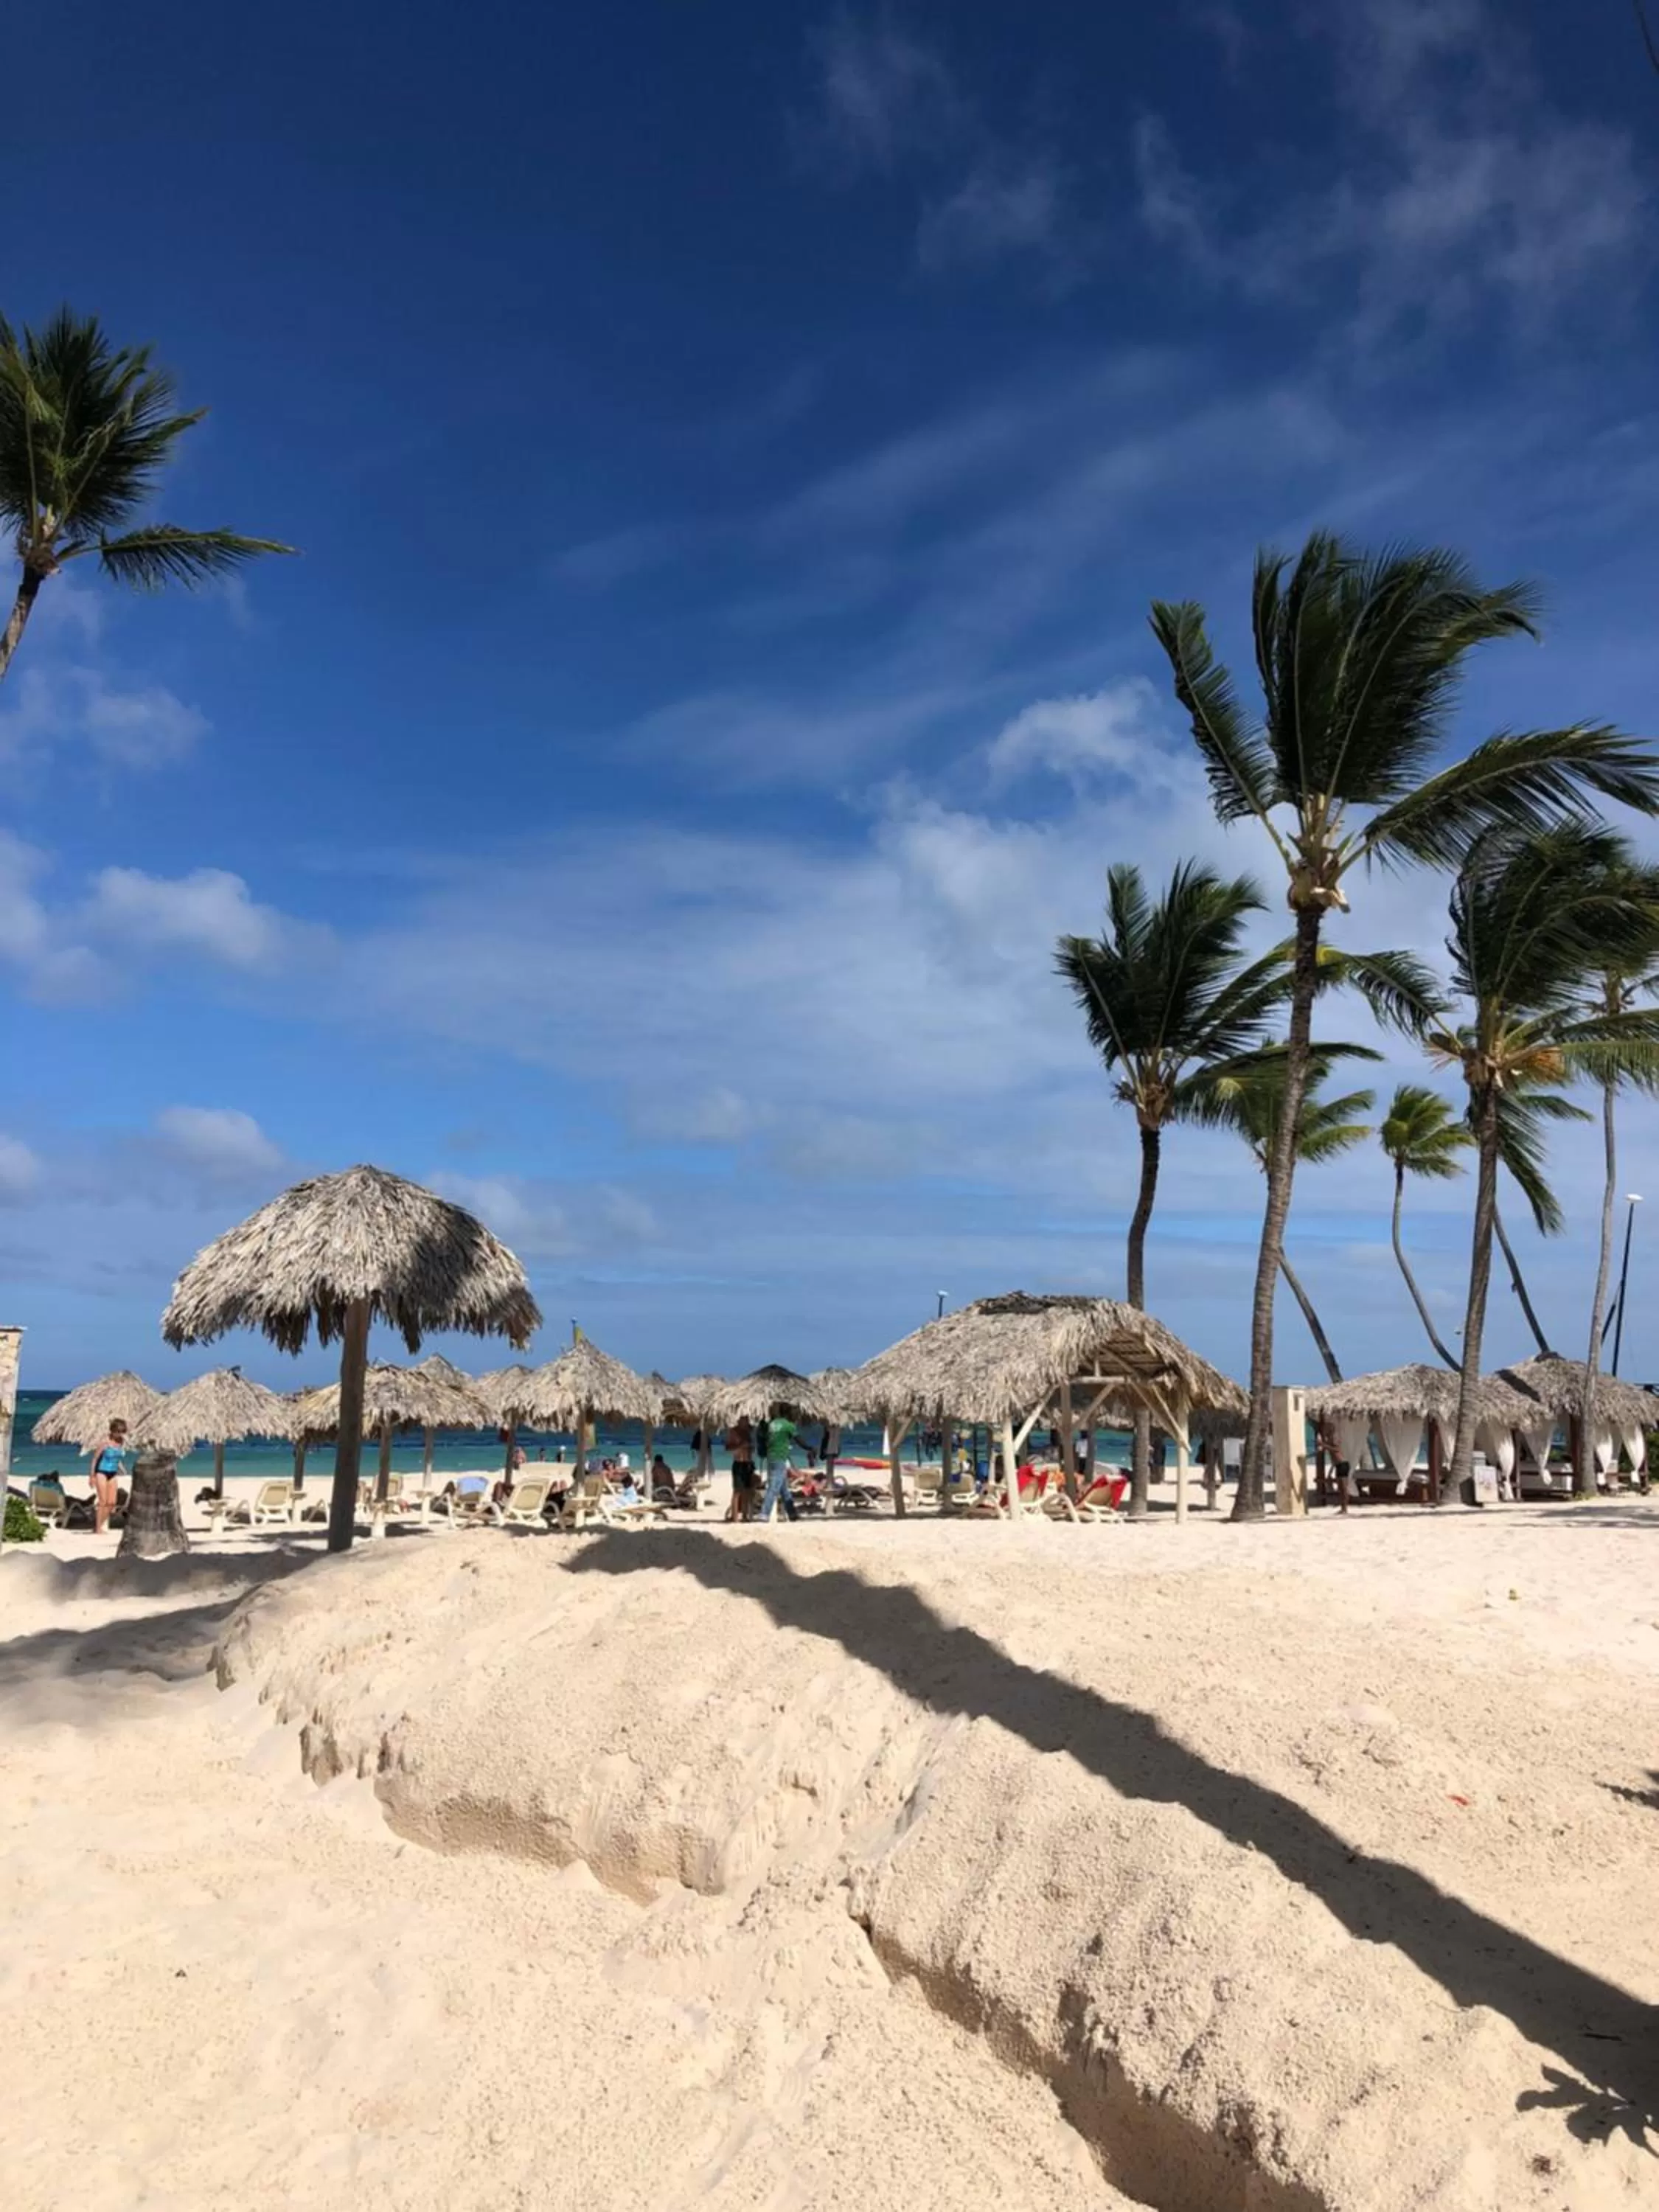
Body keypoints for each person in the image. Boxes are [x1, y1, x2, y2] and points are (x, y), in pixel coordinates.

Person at [90, 1419, 129, 1535]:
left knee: (112, 1503)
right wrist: (92, 1476)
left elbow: (117, 1458)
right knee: (103, 1501)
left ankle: (99, 1525)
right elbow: (95, 1459)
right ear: (112, 1431)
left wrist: (122, 1468)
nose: (120, 1434)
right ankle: (98, 1528)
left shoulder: (121, 1442)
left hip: (113, 1473)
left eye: (122, 1431)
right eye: (117, 1431)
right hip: (101, 1472)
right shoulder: (105, 1443)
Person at [760, 1409, 799, 1523]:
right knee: (774, 1487)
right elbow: (798, 1438)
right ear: (788, 1413)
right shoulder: (788, 1425)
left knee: (784, 1489)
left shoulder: (772, 1424)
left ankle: (792, 1514)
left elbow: (766, 1439)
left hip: (771, 1457)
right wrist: (809, 1448)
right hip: (780, 1458)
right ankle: (764, 1513)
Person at [726, 1417, 757, 1522]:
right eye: (744, 1420)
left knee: (748, 1491)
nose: (746, 1422)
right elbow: (728, 1448)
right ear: (739, 1420)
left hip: (748, 1462)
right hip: (739, 1462)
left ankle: (745, 1515)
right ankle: (735, 1517)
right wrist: (740, 1446)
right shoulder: (733, 1432)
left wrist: (751, 1447)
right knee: (737, 1490)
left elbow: (753, 1447)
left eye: (747, 1420)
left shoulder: (749, 1432)